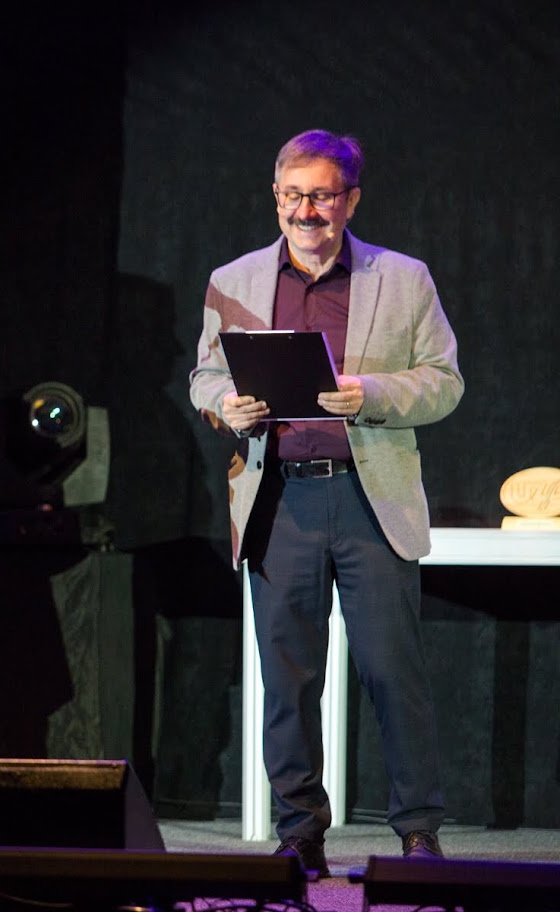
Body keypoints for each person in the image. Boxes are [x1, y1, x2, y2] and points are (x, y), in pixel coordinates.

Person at [188, 129, 463, 878]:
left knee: (391, 672)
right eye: (293, 195)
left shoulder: (402, 278)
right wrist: (226, 406)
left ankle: (418, 832)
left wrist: (369, 394)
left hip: (369, 499)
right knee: (287, 678)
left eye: (321, 195)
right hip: (280, 500)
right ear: (275, 197)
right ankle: (299, 834)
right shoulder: (234, 280)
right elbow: (205, 376)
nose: (306, 210)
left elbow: (444, 381)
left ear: (351, 200)